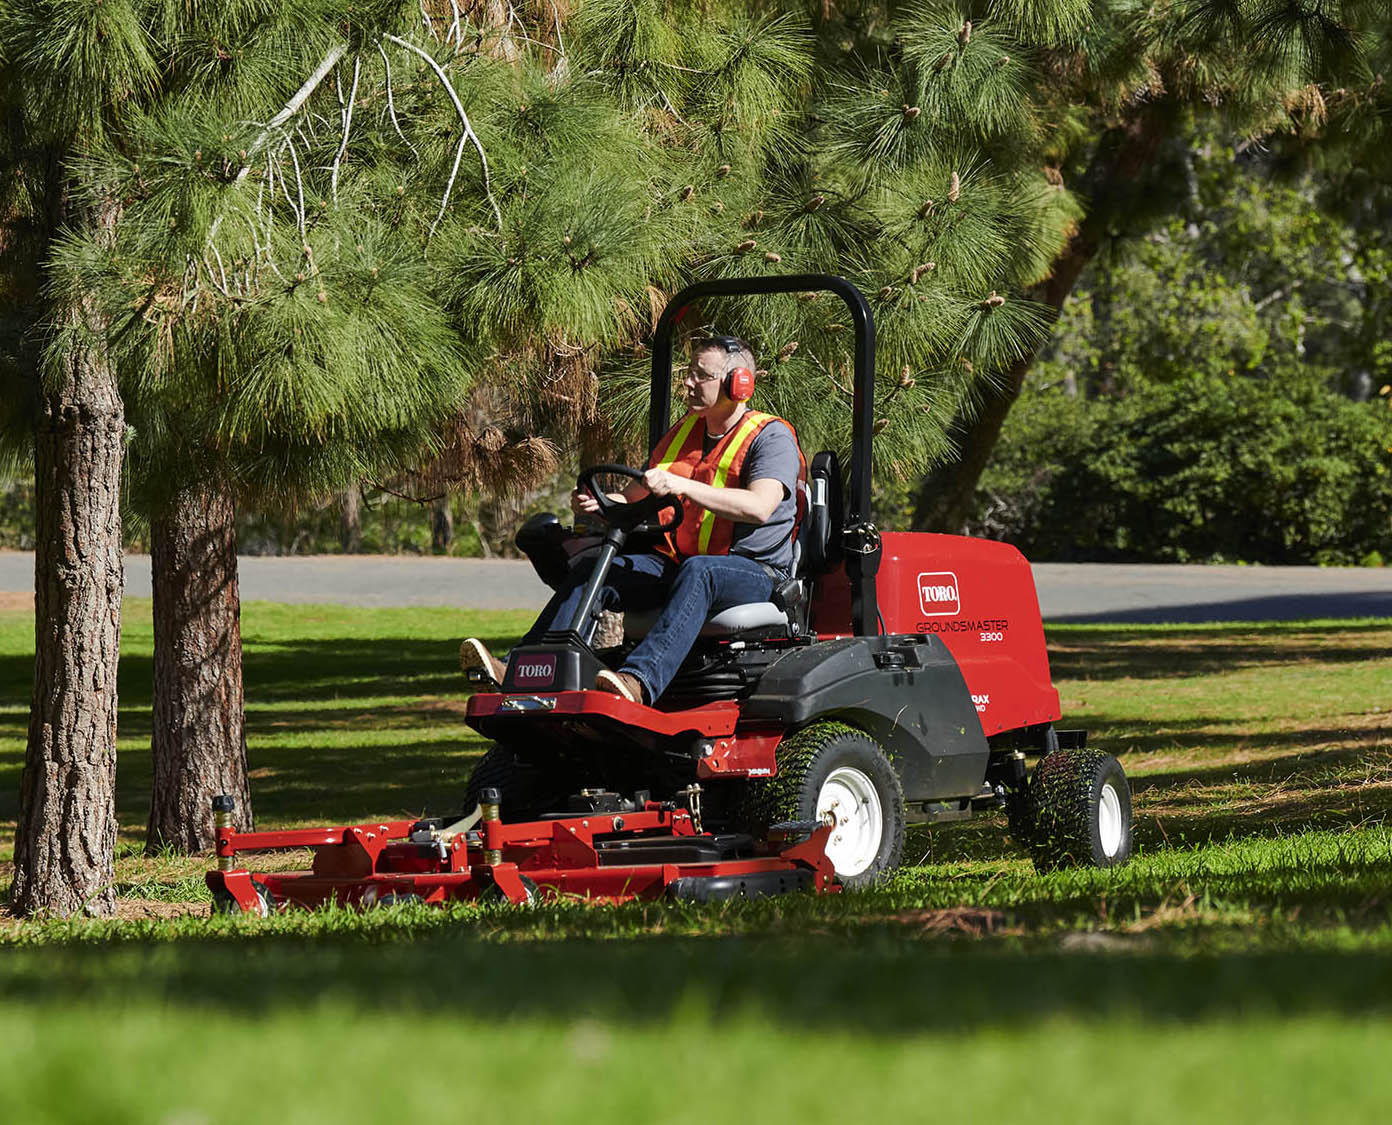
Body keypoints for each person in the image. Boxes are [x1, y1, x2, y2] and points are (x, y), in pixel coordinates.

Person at [460, 335, 805, 704]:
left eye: (700, 375)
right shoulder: (682, 434)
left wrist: (681, 484)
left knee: (700, 572)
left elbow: (759, 505)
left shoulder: (771, 437)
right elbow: (635, 494)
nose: (687, 382)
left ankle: (638, 682)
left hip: (754, 572)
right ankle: (519, 670)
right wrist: (602, 503)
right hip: (681, 565)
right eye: (688, 372)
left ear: (738, 384)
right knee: (595, 569)